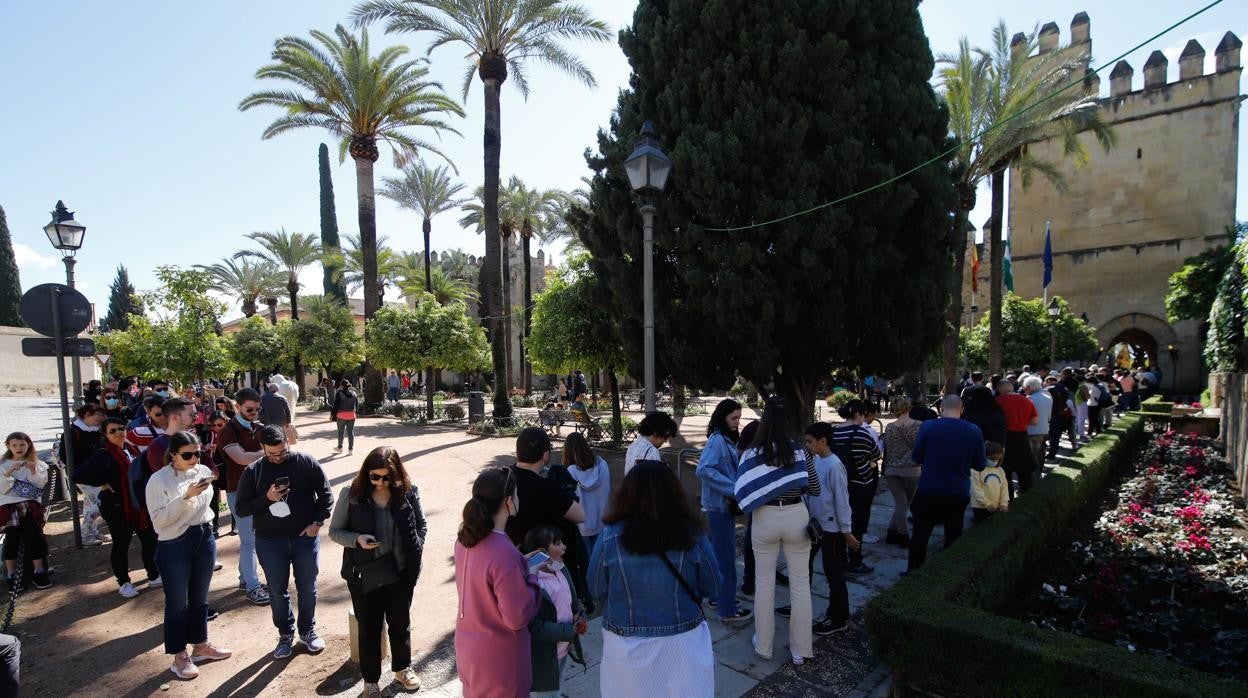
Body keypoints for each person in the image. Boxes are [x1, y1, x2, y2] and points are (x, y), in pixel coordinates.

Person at [590, 461, 719, 696]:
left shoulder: (609, 536)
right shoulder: (693, 534)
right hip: (683, 640)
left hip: (626, 642)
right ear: (674, 492)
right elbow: (714, 586)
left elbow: (595, 586)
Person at [329, 447, 426, 696]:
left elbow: (421, 525)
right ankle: (370, 680)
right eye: (375, 477)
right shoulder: (352, 494)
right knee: (369, 628)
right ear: (366, 474)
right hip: (365, 574)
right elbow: (335, 531)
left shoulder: (408, 492)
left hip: (400, 572)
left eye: (387, 478)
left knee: (400, 623)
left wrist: (415, 546)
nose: (381, 483)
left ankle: (402, 668)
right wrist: (357, 539)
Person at [235, 425, 333, 659]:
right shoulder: (253, 471)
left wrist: (317, 523)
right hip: (270, 542)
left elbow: (326, 494)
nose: (278, 458)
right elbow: (241, 508)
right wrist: (267, 499)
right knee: (278, 592)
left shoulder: (305, 462)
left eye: (283, 452)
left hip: (304, 538)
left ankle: (308, 630)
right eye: (272, 454)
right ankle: (285, 634)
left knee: (307, 588)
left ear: (288, 443)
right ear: (263, 449)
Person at [735, 400, 820, 665]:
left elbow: (743, 490)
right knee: (800, 586)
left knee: (763, 585)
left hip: (765, 518)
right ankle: (800, 650)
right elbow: (814, 487)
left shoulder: (750, 454)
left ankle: (764, 646)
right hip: (796, 516)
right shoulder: (800, 451)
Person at [144, 430, 232, 680]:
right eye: (187, 455)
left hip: (204, 536)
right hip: (174, 542)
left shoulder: (203, 471)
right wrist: (185, 498)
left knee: (200, 597)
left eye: (198, 453)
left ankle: (201, 645)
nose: (194, 458)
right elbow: (160, 521)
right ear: (173, 454)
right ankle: (179, 655)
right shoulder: (158, 481)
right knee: (176, 603)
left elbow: (207, 506)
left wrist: (196, 500)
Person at [454, 468, 542, 698]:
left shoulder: (464, 540)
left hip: (468, 647)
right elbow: (517, 616)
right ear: (509, 502)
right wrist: (531, 577)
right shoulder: (504, 551)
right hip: (500, 658)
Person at [76, 418, 160, 597]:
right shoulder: (104, 454)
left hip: (138, 504)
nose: (118, 433)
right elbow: (78, 475)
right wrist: (103, 482)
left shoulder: (131, 448)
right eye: (112, 431)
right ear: (105, 434)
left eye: (121, 428)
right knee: (121, 544)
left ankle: (153, 574)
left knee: (149, 540)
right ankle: (124, 582)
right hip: (116, 506)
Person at [504, 429, 589, 605]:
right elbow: (581, 515)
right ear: (545, 455)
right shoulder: (547, 488)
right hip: (543, 566)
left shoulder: (504, 478)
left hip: (510, 560)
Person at [907, 396, 986, 571]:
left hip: (929, 488)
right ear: (962, 409)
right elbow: (980, 464)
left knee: (920, 534)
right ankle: (948, 573)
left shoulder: (928, 426)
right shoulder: (974, 430)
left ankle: (913, 572)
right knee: (953, 534)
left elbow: (916, 457)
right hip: (957, 490)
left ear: (941, 407)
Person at [694, 398, 752, 623]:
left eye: (738, 418)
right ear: (722, 417)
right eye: (733, 418)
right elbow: (704, 469)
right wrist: (734, 488)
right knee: (725, 560)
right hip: (718, 507)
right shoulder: (717, 440)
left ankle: (720, 598)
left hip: (719, 506)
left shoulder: (721, 439)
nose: (737, 422)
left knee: (719, 559)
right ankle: (727, 610)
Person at [215, 388, 270, 605]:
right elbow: (241, 458)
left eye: (257, 409)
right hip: (238, 491)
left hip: (259, 491)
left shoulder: (259, 427)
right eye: (249, 409)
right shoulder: (228, 431)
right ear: (237, 407)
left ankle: (244, 579)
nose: (254, 412)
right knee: (249, 542)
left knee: (252, 540)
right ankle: (253, 586)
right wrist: (268, 451)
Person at [803, 421, 857, 635]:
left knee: (833, 572)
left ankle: (838, 617)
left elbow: (842, 500)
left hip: (832, 530)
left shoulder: (834, 465)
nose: (807, 445)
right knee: (803, 564)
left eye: (809, 442)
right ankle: (800, 605)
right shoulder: (816, 460)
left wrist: (846, 530)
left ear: (822, 441)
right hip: (815, 525)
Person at [522, 526, 587, 698]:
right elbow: (535, 627)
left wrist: (579, 617)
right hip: (544, 658)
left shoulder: (560, 570)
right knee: (544, 693)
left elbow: (569, 601)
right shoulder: (533, 585)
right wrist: (568, 631)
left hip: (562, 649)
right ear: (541, 552)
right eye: (557, 543)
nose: (564, 547)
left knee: (556, 687)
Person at [831, 400, 882, 574]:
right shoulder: (862, 433)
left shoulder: (834, 432)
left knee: (840, 524)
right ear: (859, 414)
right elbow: (876, 454)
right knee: (857, 526)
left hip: (840, 485)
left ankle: (841, 559)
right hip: (861, 484)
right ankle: (856, 561)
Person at [0, 433, 52, 590]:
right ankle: (11, 574)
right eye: (14, 445)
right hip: (9, 506)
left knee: (35, 537)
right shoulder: (2, 464)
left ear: (28, 444)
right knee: (11, 540)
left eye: (22, 445)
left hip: (31, 505)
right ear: (8, 446)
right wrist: (8, 473)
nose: (18, 448)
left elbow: (39, 486)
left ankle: (39, 570)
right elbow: (2, 488)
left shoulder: (38, 463)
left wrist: (33, 470)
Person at [562, 433, 610, 559]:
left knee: (586, 560)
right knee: (599, 560)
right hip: (602, 520)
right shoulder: (602, 465)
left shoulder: (570, 472)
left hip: (581, 523)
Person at [882, 397, 921, 547]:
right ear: (909, 407)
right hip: (911, 470)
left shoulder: (889, 427)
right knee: (904, 504)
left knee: (900, 503)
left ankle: (891, 533)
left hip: (891, 469)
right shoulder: (918, 426)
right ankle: (903, 536)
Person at [995, 378, 1038, 499]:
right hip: (1022, 438)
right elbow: (1035, 421)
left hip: (1005, 438)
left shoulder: (997, 401)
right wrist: (1021, 421)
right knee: (1024, 472)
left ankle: (1008, 500)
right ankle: (1027, 499)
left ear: (1000, 389)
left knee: (1005, 472)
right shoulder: (1026, 400)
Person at [971, 441, 1008, 523]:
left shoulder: (1000, 470)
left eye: (997, 459)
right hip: (980, 507)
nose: (994, 461)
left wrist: (1004, 503)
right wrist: (987, 504)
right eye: (992, 459)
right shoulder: (976, 470)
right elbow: (976, 489)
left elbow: (1004, 487)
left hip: (997, 506)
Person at [1023, 376, 1052, 472]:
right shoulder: (1048, 397)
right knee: (1040, 454)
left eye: (1025, 386)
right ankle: (1039, 473)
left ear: (1029, 387)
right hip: (1044, 429)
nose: (1024, 388)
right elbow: (1049, 416)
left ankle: (1034, 477)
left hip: (1031, 431)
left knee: (1033, 456)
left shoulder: (1029, 399)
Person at [332, 379, 360, 455]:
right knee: (351, 433)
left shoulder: (339, 393)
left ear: (341, 385)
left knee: (340, 432)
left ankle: (340, 448)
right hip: (352, 415)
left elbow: (335, 405)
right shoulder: (354, 393)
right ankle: (350, 450)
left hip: (341, 416)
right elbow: (356, 405)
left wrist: (333, 415)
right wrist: (355, 413)